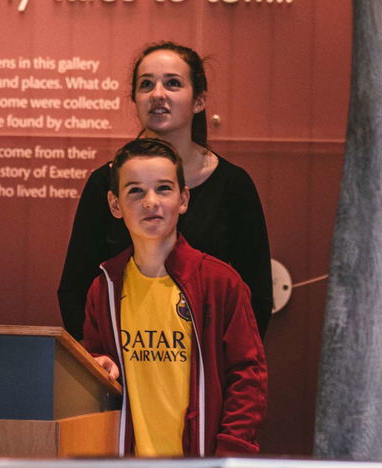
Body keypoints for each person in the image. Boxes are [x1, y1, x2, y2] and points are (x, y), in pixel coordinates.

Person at [58, 41, 273, 337]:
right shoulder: (104, 183)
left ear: (199, 100)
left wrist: (219, 367)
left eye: (173, 83)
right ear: (134, 98)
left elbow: (256, 297)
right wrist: (99, 366)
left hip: (204, 369)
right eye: (146, 84)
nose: (158, 94)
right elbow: (75, 290)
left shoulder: (233, 185)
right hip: (120, 368)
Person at [82, 136, 266, 455]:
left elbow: (247, 376)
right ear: (115, 204)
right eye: (135, 190)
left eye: (164, 189)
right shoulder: (104, 288)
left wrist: (229, 453)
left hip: (201, 460)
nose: (151, 201)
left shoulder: (220, 283)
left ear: (183, 199)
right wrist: (100, 365)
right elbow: (96, 367)